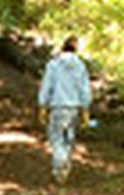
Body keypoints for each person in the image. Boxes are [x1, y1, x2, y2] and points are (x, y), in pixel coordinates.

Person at [38, 36, 92, 184]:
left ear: (63, 47)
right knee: (68, 138)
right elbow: (84, 89)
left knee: (56, 138)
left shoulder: (53, 65)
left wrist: (43, 106)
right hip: (73, 108)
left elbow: (47, 86)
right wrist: (85, 109)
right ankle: (64, 167)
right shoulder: (80, 66)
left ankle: (60, 165)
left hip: (57, 106)